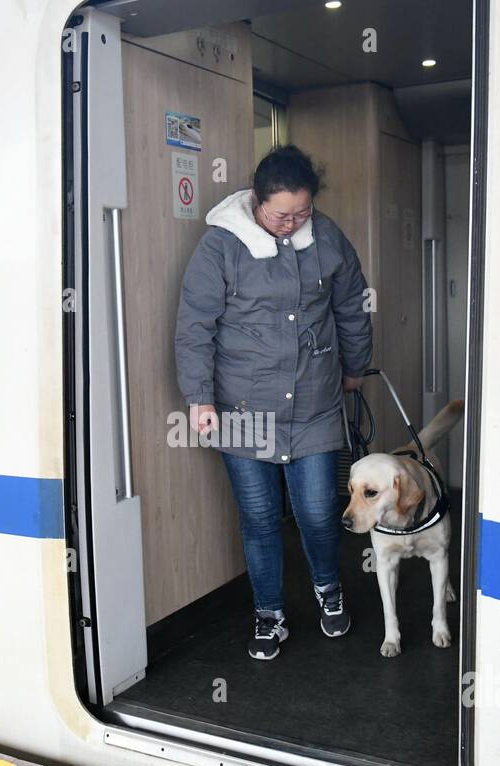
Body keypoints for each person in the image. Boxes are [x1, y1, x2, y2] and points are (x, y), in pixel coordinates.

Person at [175, 145, 373, 661]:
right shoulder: (220, 246)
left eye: (301, 212)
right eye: (280, 213)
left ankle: (328, 592)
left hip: (313, 402)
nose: (291, 223)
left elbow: (351, 306)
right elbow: (194, 326)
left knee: (316, 511)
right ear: (256, 201)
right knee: (260, 517)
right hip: (243, 408)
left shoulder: (326, 237)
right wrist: (198, 399)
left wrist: (355, 366)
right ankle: (269, 614)